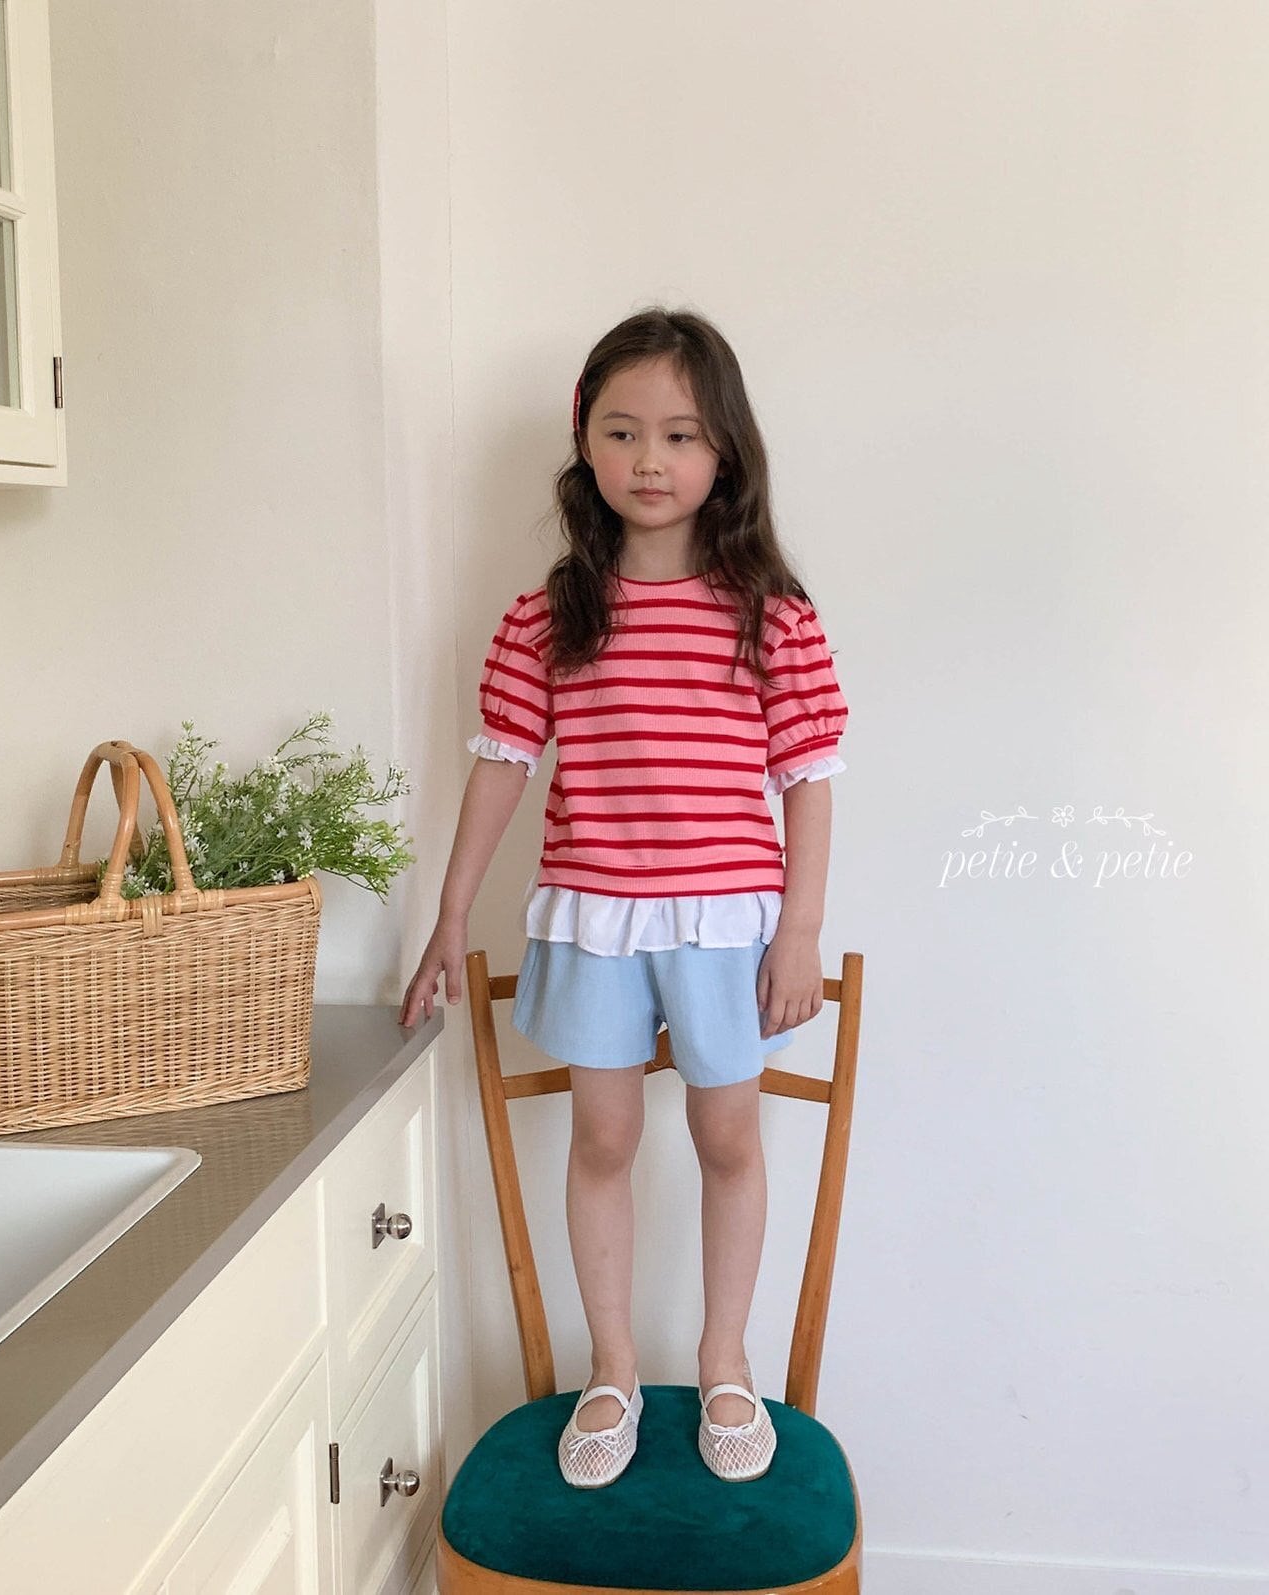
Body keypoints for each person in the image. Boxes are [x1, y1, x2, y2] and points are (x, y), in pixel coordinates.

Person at [400, 306, 848, 1489]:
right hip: (594, 914)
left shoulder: (770, 613)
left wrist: (798, 930)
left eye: (681, 433)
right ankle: (610, 1368)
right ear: (583, 439)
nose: (651, 459)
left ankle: (723, 1359)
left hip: (725, 920)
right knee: (601, 1136)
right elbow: (501, 767)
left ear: (724, 450)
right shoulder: (549, 615)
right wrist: (450, 913)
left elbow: (807, 779)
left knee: (726, 1136)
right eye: (623, 430)